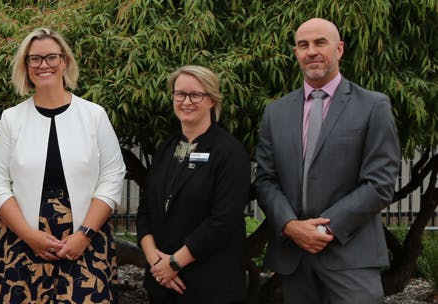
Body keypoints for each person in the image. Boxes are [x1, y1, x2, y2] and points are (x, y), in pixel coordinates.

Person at [255, 18, 400, 304]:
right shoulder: (276, 112)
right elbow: (265, 179)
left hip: (351, 254)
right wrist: (290, 226)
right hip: (294, 256)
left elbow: (380, 183)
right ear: (296, 52)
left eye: (320, 42)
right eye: (303, 45)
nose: (311, 51)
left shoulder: (373, 106)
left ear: (340, 49)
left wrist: (322, 229)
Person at [0, 27, 126, 303]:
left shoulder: (94, 116)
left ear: (65, 62)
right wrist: (28, 234)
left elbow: (112, 177)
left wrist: (83, 235)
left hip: (84, 237)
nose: (43, 65)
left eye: (51, 57)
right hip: (21, 238)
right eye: (34, 59)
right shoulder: (11, 119)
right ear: (26, 66)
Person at [135, 65, 249, 303]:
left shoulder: (229, 152)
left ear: (212, 100)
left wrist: (175, 263)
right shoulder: (165, 148)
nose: (186, 101)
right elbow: (145, 212)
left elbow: (223, 221)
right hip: (162, 283)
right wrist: (157, 264)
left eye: (196, 95)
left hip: (209, 284)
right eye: (180, 94)